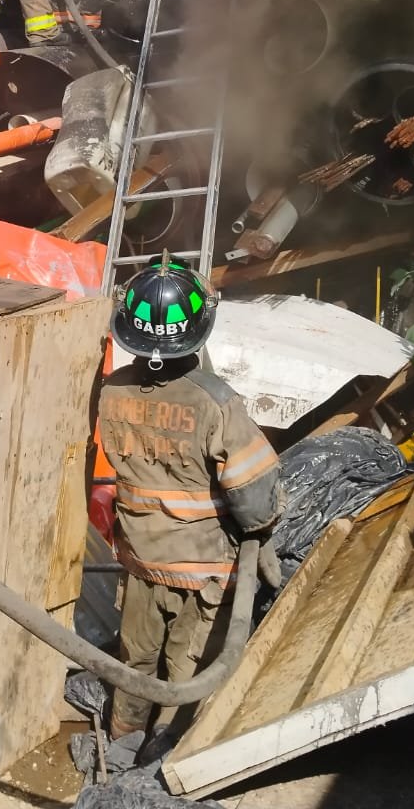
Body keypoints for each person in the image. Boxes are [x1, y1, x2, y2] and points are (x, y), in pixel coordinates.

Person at [97, 259, 283, 740]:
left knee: (134, 662)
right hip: (202, 573)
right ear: (198, 331)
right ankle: (164, 764)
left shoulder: (112, 391)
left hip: (140, 561)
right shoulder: (216, 402)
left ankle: (121, 746)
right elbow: (255, 502)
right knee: (188, 670)